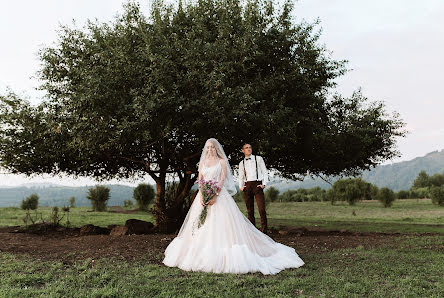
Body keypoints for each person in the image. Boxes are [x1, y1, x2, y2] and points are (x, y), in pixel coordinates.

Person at [162, 138, 305, 275]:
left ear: (216, 148)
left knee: (226, 224)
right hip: (203, 195)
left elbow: (223, 179)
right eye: (208, 147)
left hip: (219, 195)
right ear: (206, 149)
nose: (210, 149)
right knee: (200, 223)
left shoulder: (222, 161)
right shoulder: (203, 162)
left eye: (213, 147)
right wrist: (202, 196)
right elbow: (201, 179)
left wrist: (215, 195)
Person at [238, 143, 268, 233]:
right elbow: (241, 177)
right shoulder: (241, 163)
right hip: (247, 186)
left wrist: (264, 184)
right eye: (246, 148)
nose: (249, 149)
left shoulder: (258, 159)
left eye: (250, 147)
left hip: (257, 185)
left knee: (261, 209)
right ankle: (253, 231)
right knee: (250, 210)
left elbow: (265, 172)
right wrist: (241, 187)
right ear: (243, 150)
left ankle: (264, 230)